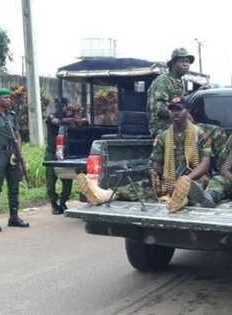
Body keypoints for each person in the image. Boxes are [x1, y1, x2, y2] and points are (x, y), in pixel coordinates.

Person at [77, 97, 212, 213]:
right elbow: (156, 162)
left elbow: (205, 164)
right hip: (169, 178)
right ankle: (103, 194)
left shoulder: (201, 135)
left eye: (179, 109)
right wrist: (156, 174)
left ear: (187, 111)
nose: (175, 113)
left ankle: (179, 200)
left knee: (191, 189)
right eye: (172, 109)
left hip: (194, 177)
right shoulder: (164, 136)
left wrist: (186, 179)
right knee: (140, 185)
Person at [0, 88, 30, 232]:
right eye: (6, 98)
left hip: (12, 154)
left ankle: (14, 217)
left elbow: (18, 136)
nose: (9, 100)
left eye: (9, 98)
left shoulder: (11, 115)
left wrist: (18, 153)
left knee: (14, 186)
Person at [147, 48, 194, 137]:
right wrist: (182, 115)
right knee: (198, 136)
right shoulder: (163, 81)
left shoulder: (181, 82)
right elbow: (158, 108)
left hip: (177, 124)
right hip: (162, 126)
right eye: (182, 61)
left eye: (187, 62)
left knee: (213, 131)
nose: (186, 64)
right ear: (173, 64)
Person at [44, 98, 73, 215]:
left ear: (66, 106)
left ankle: (63, 201)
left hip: (65, 154)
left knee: (67, 181)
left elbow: (83, 122)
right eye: (58, 106)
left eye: (63, 106)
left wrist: (75, 119)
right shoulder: (51, 116)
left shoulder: (70, 117)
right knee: (51, 181)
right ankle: (53, 203)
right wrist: (71, 119)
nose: (60, 108)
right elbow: (56, 122)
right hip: (51, 152)